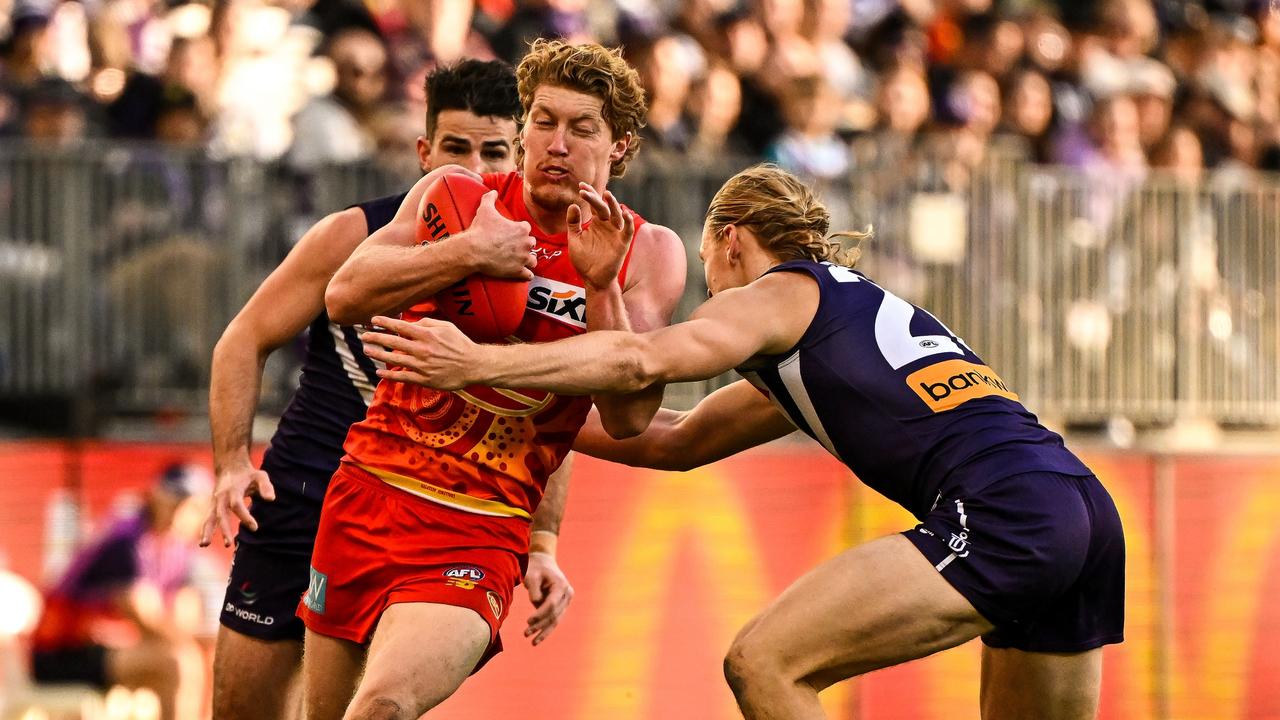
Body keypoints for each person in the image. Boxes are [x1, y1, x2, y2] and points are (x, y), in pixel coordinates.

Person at [365, 164, 1126, 720]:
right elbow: (675, 440)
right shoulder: (838, 326)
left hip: (1004, 513)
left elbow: (637, 359)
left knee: (764, 664)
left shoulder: (774, 295)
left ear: (729, 240)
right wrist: (515, 401)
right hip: (1081, 508)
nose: (706, 284)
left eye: (704, 261)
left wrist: (475, 360)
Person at [309, 39, 687, 720]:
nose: (556, 144)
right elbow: (344, 294)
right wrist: (468, 252)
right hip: (367, 493)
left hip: (480, 525)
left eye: (582, 128)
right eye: (543, 122)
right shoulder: (459, 198)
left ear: (620, 147)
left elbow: (628, 417)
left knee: (383, 706)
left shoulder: (647, 251)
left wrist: (600, 287)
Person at [200, 60, 576, 720]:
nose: (475, 165)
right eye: (456, 147)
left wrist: (543, 544)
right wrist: (232, 462)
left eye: (494, 150)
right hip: (306, 496)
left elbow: (552, 410)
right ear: (424, 150)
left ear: (517, 154)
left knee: (381, 706)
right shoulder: (354, 234)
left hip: (431, 516)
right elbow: (244, 338)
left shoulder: (540, 264)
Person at [31, 463, 212, 720]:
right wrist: (192, 639)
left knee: (185, 658)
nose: (179, 511)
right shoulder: (127, 539)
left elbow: (182, 615)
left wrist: (188, 637)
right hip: (61, 656)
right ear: (155, 496)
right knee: (177, 662)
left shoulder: (178, 549)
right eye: (174, 500)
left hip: (103, 651)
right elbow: (145, 616)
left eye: (190, 505)